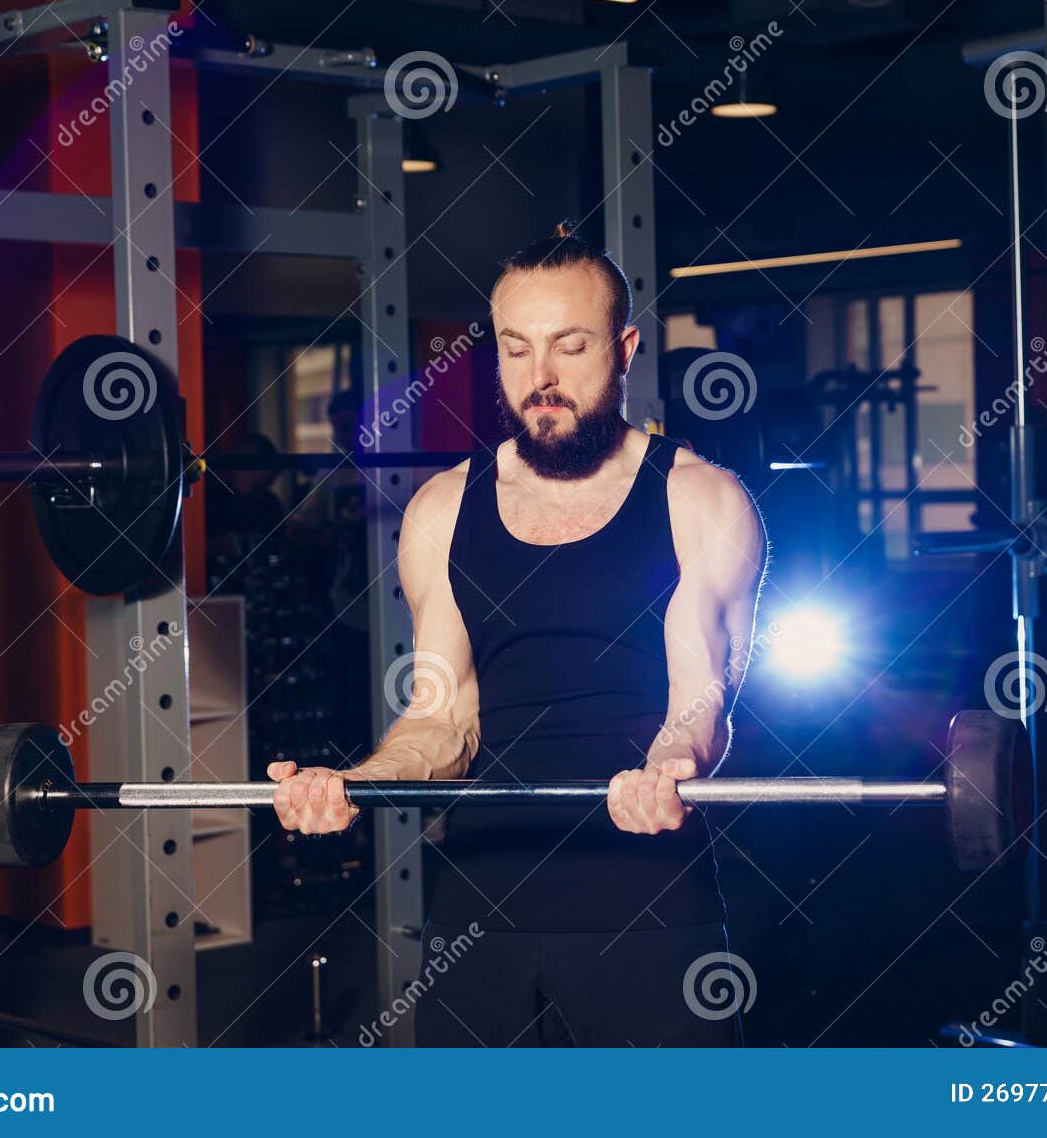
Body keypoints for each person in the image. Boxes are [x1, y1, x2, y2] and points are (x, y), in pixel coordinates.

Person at [269, 222, 767, 1046]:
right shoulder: (442, 509)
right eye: (516, 349)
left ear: (624, 348)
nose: (542, 379)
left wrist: (667, 767)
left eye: (570, 346)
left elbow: (700, 701)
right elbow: (443, 721)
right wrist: (357, 783)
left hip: (646, 907)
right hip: (477, 914)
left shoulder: (699, 501)